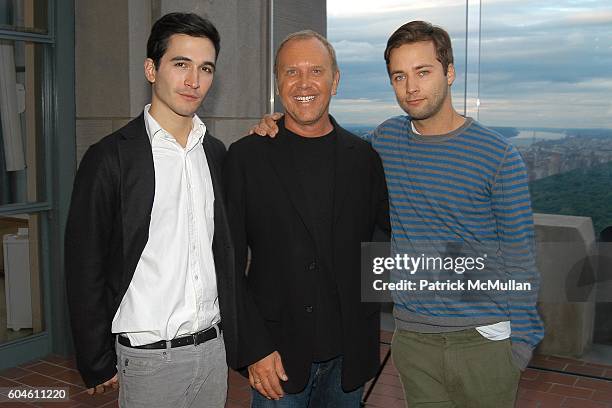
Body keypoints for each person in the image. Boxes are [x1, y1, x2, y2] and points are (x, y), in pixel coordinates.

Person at [251, 20, 544, 408]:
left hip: (483, 341)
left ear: (450, 72)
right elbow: (329, 151)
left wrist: (520, 344)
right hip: (412, 341)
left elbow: (520, 257)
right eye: (399, 76)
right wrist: (278, 127)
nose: (411, 87)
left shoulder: (498, 155)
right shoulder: (387, 141)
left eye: (423, 72)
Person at [65, 12, 238, 408]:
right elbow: (83, 264)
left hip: (214, 352)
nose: (194, 81)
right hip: (149, 361)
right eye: (181, 64)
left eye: (205, 68)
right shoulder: (109, 158)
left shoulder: (215, 154)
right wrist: (95, 359)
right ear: (150, 69)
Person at [224, 30, 390, 407]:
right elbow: (228, 265)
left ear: (336, 80)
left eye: (316, 70)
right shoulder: (246, 157)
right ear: (278, 83)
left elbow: (386, 237)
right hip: (276, 359)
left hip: (349, 358)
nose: (303, 83)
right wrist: (252, 348)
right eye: (290, 72)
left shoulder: (364, 159)